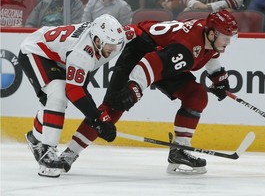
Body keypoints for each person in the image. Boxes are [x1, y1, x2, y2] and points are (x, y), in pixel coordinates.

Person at [61, 10, 239, 175]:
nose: (228, 42)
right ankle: (69, 153)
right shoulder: (185, 48)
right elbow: (152, 63)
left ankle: (180, 150)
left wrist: (220, 79)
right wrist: (134, 89)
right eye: (226, 37)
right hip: (139, 52)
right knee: (115, 106)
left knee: (197, 95)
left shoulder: (206, 33)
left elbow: (209, 54)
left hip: (162, 55)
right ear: (212, 33)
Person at [18, 14, 127, 178]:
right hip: (36, 51)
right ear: (97, 40)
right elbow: (75, 91)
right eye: (110, 45)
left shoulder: (116, 41)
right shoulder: (81, 53)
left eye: (117, 44)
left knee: (53, 99)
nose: (114, 49)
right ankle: (47, 151)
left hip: (61, 57)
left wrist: (98, 119)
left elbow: (133, 34)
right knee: (58, 94)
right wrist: (98, 119)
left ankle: (35, 138)